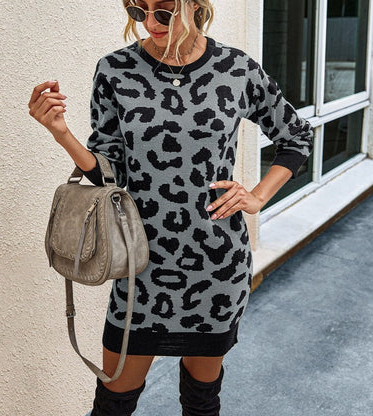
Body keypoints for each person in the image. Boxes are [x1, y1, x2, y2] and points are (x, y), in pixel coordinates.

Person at [28, 1, 314, 415]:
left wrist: (257, 197)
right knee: (113, 402)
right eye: (137, 9)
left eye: (163, 12)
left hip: (216, 267)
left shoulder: (236, 69)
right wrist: (61, 134)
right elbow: (110, 174)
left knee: (201, 401)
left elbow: (296, 136)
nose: (149, 22)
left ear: (195, 5)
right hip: (141, 265)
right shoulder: (115, 70)